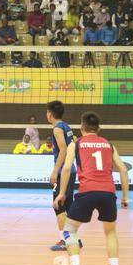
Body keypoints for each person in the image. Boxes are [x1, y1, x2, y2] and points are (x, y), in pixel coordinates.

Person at [54, 112, 130, 265]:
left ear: (81, 128)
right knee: (110, 232)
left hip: (87, 191)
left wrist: (62, 193)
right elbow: (124, 170)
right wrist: (125, 197)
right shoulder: (109, 145)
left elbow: (66, 169)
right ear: (99, 128)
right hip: (108, 192)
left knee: (69, 230)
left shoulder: (77, 144)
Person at [46, 100, 81, 251]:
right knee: (67, 205)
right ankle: (74, 239)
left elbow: (64, 150)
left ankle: (65, 240)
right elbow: (74, 142)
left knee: (58, 205)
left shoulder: (57, 128)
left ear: (50, 114)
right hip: (70, 169)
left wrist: (55, 171)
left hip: (63, 171)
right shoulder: (66, 126)